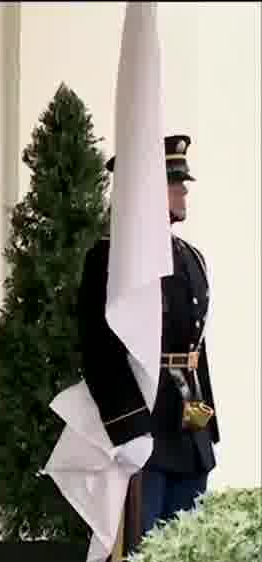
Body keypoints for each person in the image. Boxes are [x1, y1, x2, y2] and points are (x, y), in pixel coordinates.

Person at [81, 133, 218, 539]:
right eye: (174, 185)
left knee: (188, 558)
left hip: (188, 430)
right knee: (144, 560)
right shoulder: (110, 258)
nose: (183, 194)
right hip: (145, 429)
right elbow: (99, 349)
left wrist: (208, 424)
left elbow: (195, 346)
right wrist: (128, 429)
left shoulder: (191, 257)